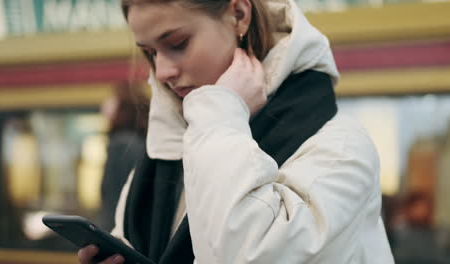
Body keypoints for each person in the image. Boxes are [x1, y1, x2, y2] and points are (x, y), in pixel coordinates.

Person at [78, 0, 394, 263]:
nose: (162, 72)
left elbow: (249, 255)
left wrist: (220, 113)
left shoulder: (341, 147)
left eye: (177, 44)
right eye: (150, 52)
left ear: (239, 14)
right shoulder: (166, 149)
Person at [98, 83, 149, 232]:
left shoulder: (120, 146)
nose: (105, 105)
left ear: (123, 107)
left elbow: (114, 198)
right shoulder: (143, 143)